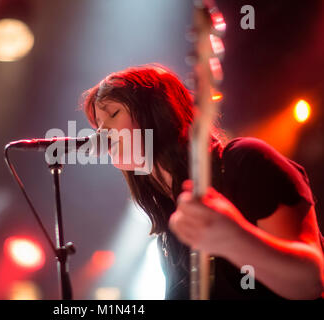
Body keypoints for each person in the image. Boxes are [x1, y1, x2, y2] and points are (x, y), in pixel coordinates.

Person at [80, 63, 324, 299]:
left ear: (156, 111)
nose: (101, 132)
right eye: (98, 124)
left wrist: (235, 239)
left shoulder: (244, 161)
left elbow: (310, 281)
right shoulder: (171, 223)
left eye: (113, 113)